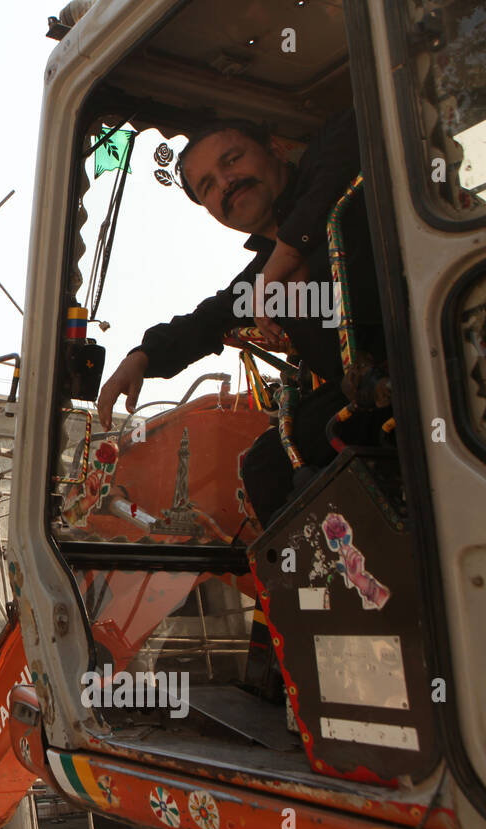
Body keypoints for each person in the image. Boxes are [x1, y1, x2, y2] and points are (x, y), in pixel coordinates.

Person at [95, 111, 386, 529]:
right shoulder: (257, 280)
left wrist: (283, 260)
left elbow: (354, 128)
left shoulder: (337, 158)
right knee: (267, 465)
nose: (226, 183)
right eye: (207, 186)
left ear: (275, 149)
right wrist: (142, 356)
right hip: (373, 398)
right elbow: (207, 320)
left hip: (446, 349)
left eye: (231, 160)